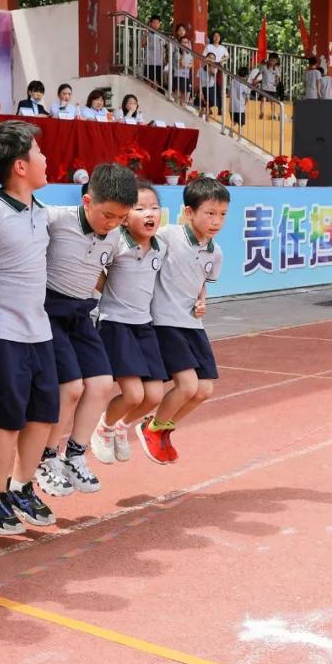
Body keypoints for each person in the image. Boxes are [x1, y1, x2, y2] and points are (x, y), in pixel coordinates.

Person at [0, 120, 60, 534]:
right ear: (21, 166)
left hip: (38, 332)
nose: (46, 159)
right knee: (7, 420)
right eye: (39, 153)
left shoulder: (42, 213)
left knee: (42, 416)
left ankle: (22, 486)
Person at [34, 163, 137, 496]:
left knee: (103, 383)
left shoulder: (116, 237)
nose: (113, 224)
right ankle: (45, 457)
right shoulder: (55, 219)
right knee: (71, 387)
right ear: (88, 201)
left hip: (81, 314)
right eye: (107, 215)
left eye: (121, 218)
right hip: (49, 311)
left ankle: (75, 453)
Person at [137, 177, 225, 462]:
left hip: (192, 324)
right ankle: (151, 429)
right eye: (210, 213)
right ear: (189, 212)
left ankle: (160, 427)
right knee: (187, 385)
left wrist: (202, 300)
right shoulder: (167, 236)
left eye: (222, 214)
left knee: (204, 390)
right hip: (165, 321)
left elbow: (202, 281)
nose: (216, 221)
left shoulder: (216, 252)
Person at [91, 182, 167, 465]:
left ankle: (121, 428)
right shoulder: (116, 243)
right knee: (134, 394)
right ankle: (104, 427)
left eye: (154, 208)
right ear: (124, 216)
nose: (149, 214)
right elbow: (95, 273)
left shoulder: (161, 247)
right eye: (140, 208)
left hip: (144, 326)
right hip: (116, 324)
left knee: (154, 395)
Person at [142, 15, 165, 89]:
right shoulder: (148, 34)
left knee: (156, 83)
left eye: (157, 23)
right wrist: (146, 33)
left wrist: (164, 60)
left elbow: (164, 48)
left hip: (159, 62)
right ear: (150, 23)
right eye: (154, 22)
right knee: (148, 82)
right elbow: (142, 44)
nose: (156, 24)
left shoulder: (161, 35)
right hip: (149, 62)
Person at [229, 66, 251, 134]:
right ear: (247, 76)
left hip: (232, 106)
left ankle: (231, 131)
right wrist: (245, 103)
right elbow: (247, 96)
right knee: (240, 123)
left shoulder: (233, 81)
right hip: (240, 107)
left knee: (234, 121)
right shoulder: (245, 84)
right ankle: (239, 136)